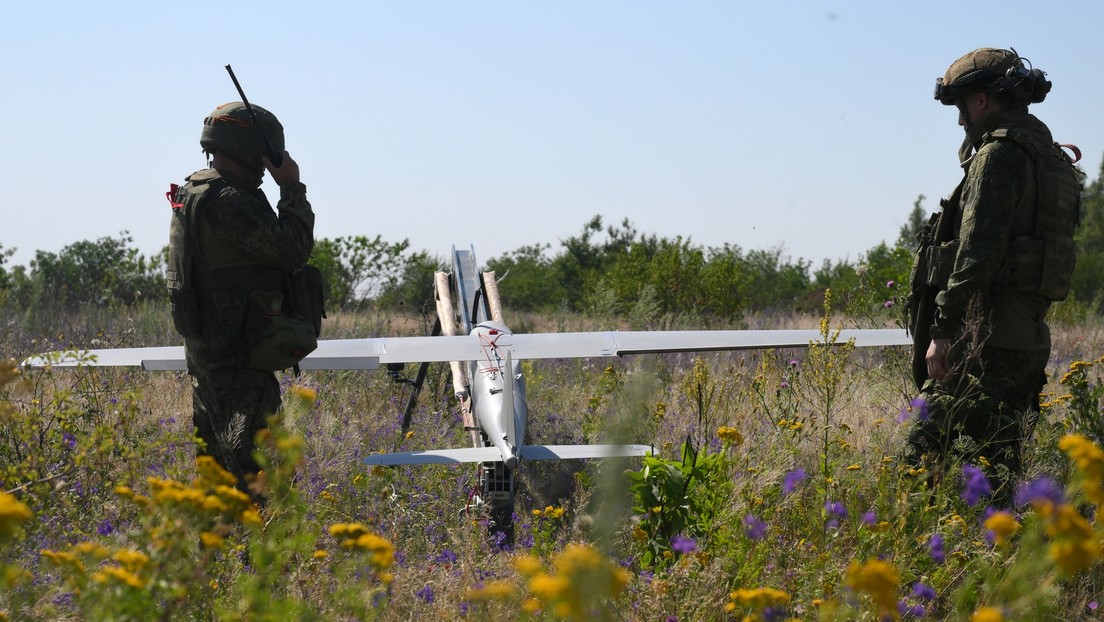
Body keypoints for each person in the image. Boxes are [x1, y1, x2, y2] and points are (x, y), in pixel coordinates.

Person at [905, 48, 1081, 503]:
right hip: (1026, 340)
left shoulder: (1000, 155)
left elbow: (978, 251)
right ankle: (1001, 564)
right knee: (995, 475)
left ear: (981, 100)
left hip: (986, 341)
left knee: (919, 464)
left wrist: (944, 331)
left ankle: (923, 559)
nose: (961, 120)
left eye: (962, 105)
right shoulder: (1048, 157)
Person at [167, 102, 315, 500]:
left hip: (211, 355)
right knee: (264, 481)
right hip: (238, 361)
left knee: (220, 482)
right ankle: (263, 560)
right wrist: (291, 186)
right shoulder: (230, 200)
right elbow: (292, 250)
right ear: (254, 152)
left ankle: (218, 559)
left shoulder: (194, 190)